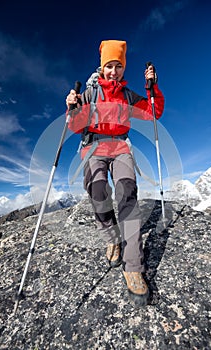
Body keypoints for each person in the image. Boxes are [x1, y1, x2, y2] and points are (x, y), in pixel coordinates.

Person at [65, 39, 165, 306]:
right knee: (98, 190)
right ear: (102, 66)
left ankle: (133, 268)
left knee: (127, 194)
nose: (114, 71)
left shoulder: (128, 95)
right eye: (109, 66)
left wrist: (152, 87)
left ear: (123, 68)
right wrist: (72, 106)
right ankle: (112, 239)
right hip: (95, 146)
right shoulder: (89, 95)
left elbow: (153, 112)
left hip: (121, 146)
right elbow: (75, 126)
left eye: (118, 66)